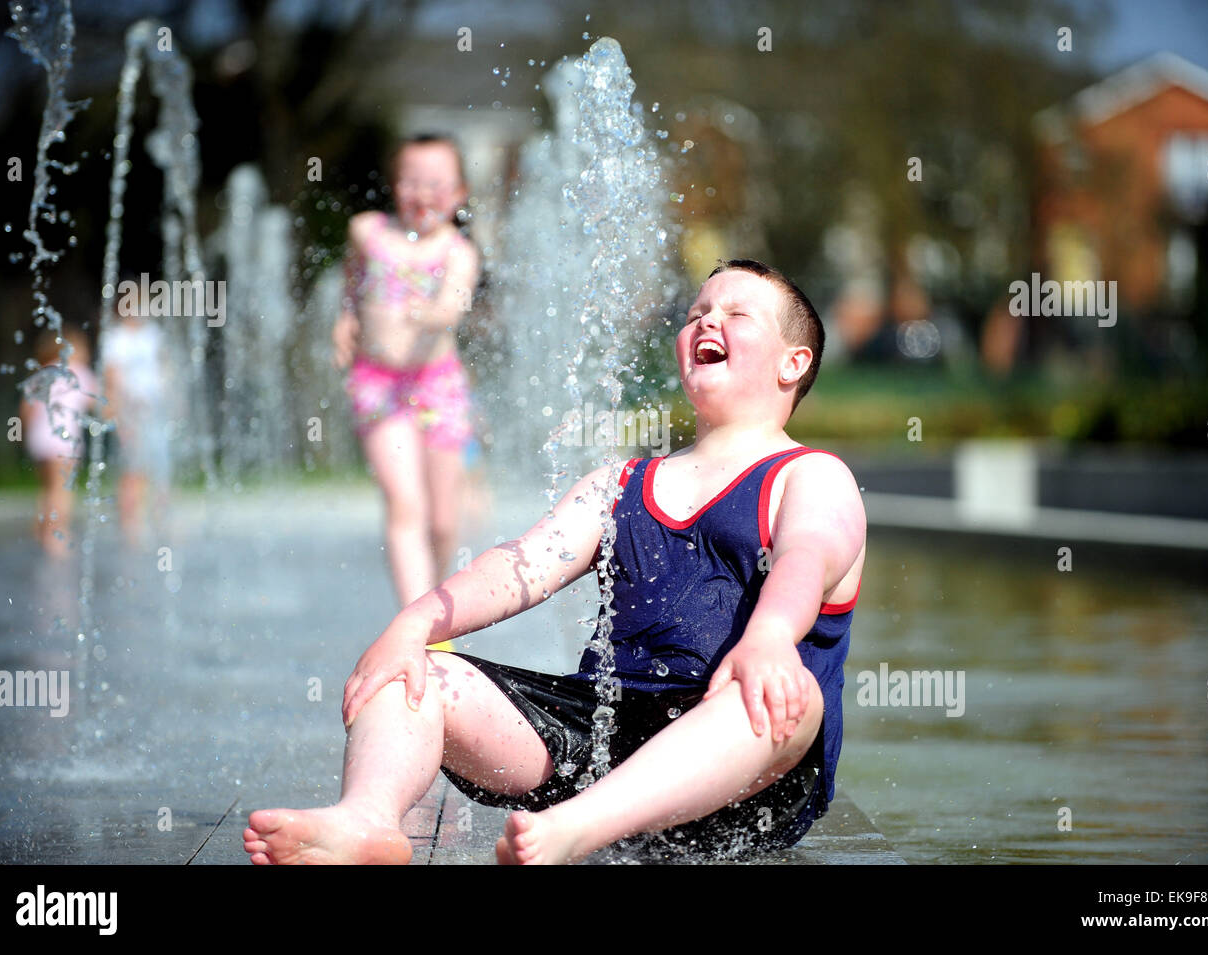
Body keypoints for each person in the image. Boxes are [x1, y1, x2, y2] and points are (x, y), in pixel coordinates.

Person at [245, 260, 866, 864]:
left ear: (795, 362)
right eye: (696, 312)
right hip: (597, 747)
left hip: (742, 774)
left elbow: (804, 559)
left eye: (737, 313)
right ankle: (368, 821)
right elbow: (522, 563)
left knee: (791, 697)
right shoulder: (620, 484)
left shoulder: (810, 477)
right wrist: (416, 625)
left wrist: (768, 638)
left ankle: (575, 830)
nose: (708, 322)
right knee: (418, 672)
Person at [332, 135, 480, 651]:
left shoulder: (457, 252)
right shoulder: (368, 232)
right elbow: (352, 276)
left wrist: (431, 311)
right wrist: (348, 314)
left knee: (442, 519)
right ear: (395, 185)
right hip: (378, 385)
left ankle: (432, 601)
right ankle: (422, 632)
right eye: (413, 180)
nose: (424, 192)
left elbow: (453, 304)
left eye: (437, 182)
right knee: (405, 503)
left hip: (436, 385)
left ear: (458, 193)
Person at [20, 327, 97, 558]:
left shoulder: (43, 372)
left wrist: (26, 435)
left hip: (40, 439)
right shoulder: (79, 373)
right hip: (64, 441)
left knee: (47, 489)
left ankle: (40, 530)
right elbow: (97, 401)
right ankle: (56, 534)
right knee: (62, 490)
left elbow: (26, 409)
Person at [101, 301, 170, 548]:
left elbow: (164, 365)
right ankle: (130, 522)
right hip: (128, 411)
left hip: (154, 410)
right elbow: (111, 375)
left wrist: (172, 396)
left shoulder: (152, 333)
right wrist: (116, 409)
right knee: (133, 467)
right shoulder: (115, 338)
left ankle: (161, 519)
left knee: (160, 465)